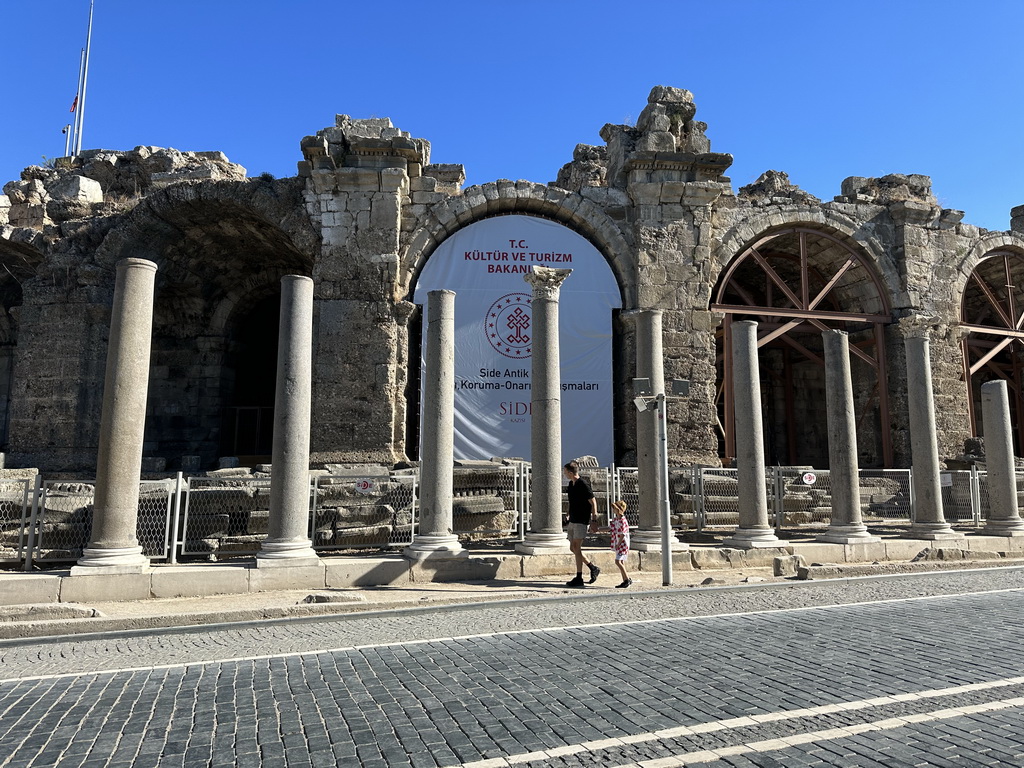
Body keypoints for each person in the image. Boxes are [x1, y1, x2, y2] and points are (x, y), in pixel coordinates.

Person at [563, 460, 600, 587]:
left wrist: (594, 520)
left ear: (569, 472)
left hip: (581, 520)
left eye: (565, 471)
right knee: (572, 548)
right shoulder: (571, 484)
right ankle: (592, 567)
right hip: (573, 519)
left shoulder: (583, 484)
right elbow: (572, 501)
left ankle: (579, 577)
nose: (564, 473)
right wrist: (568, 513)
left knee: (577, 547)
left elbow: (593, 502)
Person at [608, 499, 633, 588]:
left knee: (618, 561)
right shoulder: (616, 519)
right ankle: (625, 580)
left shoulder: (623, 520)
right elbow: (610, 528)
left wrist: (618, 544)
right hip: (618, 542)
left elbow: (623, 534)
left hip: (622, 544)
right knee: (621, 561)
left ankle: (627, 579)